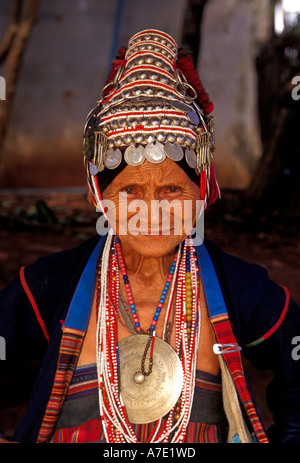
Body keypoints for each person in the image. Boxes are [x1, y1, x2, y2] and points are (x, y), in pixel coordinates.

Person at [0, 29, 300, 444]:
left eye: (172, 190)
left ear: (202, 192)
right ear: (98, 196)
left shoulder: (239, 289)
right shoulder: (52, 285)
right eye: (130, 192)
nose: (153, 213)